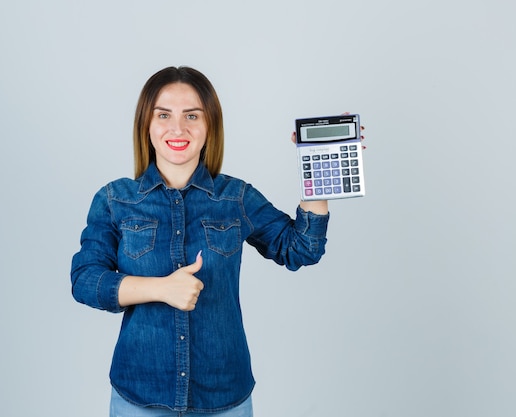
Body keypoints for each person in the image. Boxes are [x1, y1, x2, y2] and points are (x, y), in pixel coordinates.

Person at [70, 66, 333, 417]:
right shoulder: (115, 199)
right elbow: (86, 280)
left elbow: (301, 248)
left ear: (209, 126)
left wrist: (318, 168)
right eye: (163, 115)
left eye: (192, 115)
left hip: (223, 397)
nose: (178, 128)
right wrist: (161, 289)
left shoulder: (236, 198)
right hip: (140, 395)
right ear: (146, 125)